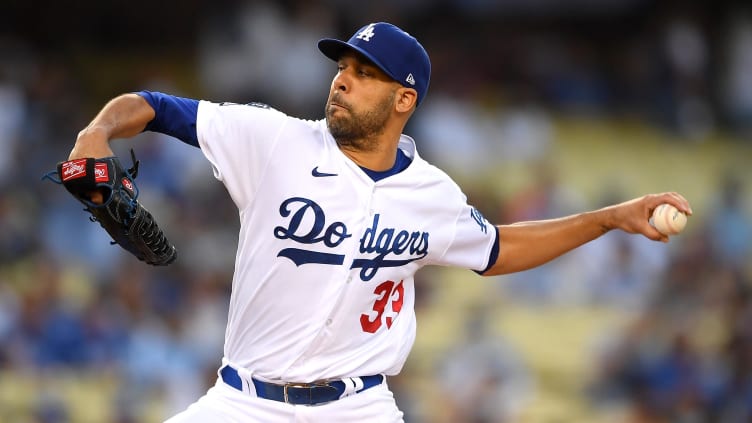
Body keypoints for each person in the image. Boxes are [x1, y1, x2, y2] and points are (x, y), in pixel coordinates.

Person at [66, 22, 692, 423]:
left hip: (357, 407)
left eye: (364, 74)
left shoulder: (431, 193)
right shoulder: (274, 140)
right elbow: (151, 107)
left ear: (404, 99)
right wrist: (96, 133)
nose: (342, 81)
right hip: (243, 402)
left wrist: (610, 218)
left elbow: (498, 249)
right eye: (342, 68)